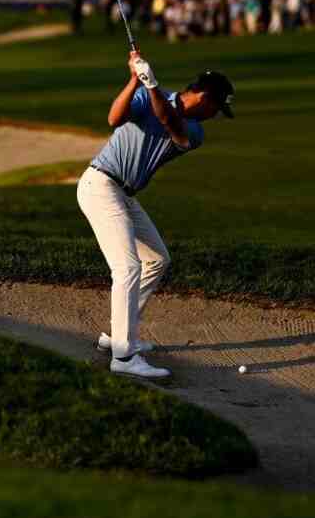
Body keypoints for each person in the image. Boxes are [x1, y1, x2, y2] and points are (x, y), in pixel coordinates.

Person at [77, 51, 234, 379]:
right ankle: (123, 357)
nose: (214, 116)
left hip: (124, 194)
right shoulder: (148, 94)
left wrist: (151, 85)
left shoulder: (194, 131)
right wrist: (135, 79)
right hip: (101, 185)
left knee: (157, 260)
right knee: (128, 266)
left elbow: (171, 123)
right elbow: (113, 119)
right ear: (205, 98)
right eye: (216, 108)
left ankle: (118, 335)